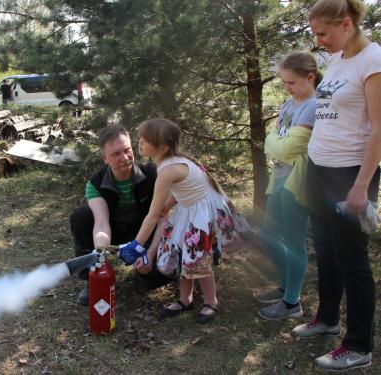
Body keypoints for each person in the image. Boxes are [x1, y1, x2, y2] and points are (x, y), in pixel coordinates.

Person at [289, 0, 381, 371]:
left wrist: (362, 185)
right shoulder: (337, 59)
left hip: (349, 175)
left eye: (323, 33)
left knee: (351, 260)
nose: (318, 41)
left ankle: (359, 345)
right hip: (319, 169)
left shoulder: (372, 61)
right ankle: (327, 319)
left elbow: (379, 128)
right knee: (324, 250)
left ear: (346, 24)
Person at [117, 118, 245, 324]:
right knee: (181, 252)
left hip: (202, 212)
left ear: (163, 147)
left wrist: (136, 245)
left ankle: (211, 301)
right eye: (140, 137)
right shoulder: (169, 162)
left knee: (198, 257)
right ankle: (186, 299)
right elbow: (182, 189)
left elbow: (152, 214)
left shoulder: (167, 170)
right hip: (189, 208)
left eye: (146, 140)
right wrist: (168, 204)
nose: (140, 142)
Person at [69, 124, 173, 306]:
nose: (124, 158)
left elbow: (164, 217)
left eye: (127, 150)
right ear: (104, 158)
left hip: (145, 232)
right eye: (116, 154)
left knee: (154, 279)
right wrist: (100, 250)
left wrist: (149, 251)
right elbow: (101, 224)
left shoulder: (153, 174)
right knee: (81, 216)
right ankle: (93, 278)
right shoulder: (95, 183)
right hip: (114, 231)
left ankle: (145, 271)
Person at [255, 51, 320, 321]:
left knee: (293, 239)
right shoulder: (290, 103)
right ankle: (285, 286)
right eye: (284, 83)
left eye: (291, 82)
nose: (287, 87)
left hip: (297, 181)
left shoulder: (313, 106)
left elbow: (292, 146)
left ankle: (292, 302)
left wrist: (276, 146)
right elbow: (274, 143)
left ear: (310, 77)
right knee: (268, 232)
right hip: (279, 177)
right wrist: (277, 147)